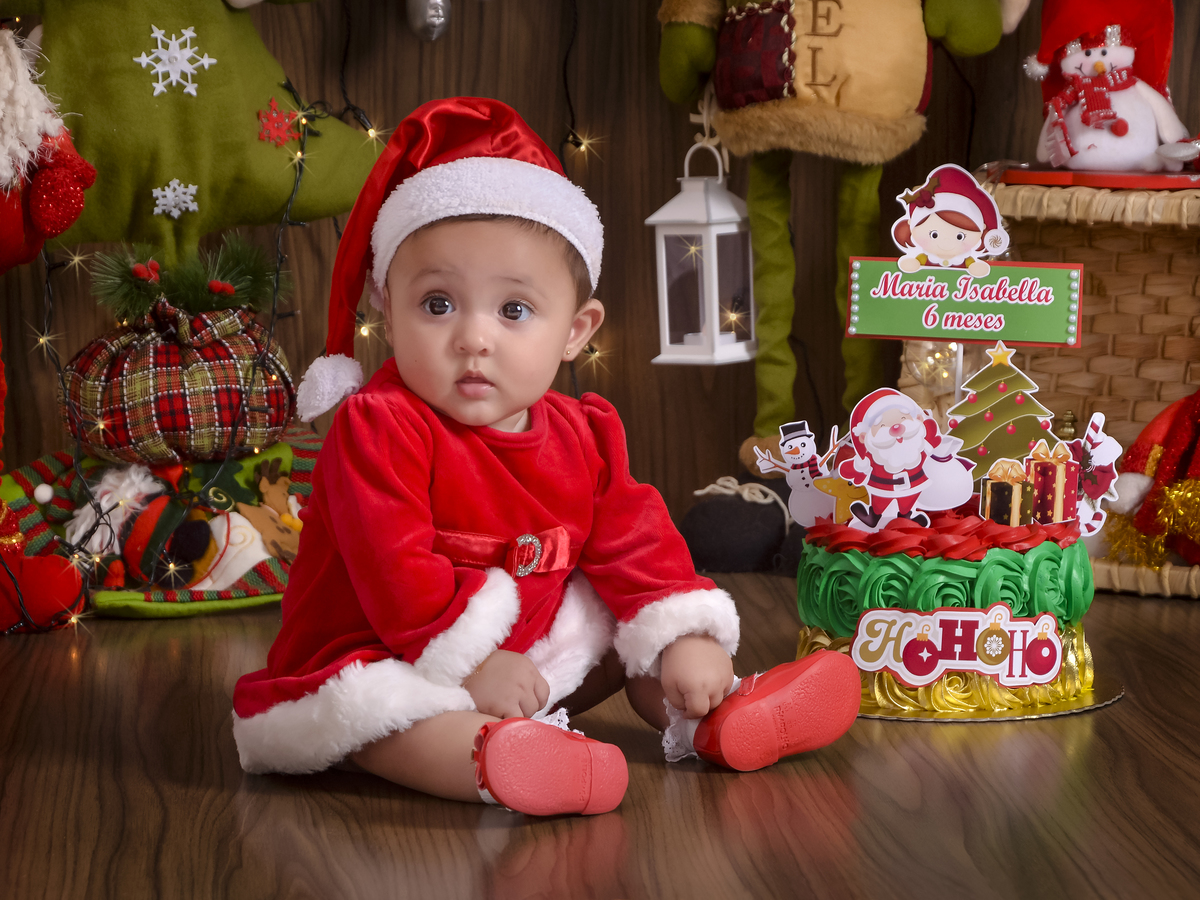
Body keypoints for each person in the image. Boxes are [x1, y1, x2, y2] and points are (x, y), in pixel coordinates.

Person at [231, 97, 861, 817]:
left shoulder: (583, 429)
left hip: (524, 657)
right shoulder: (380, 425)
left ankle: (719, 716)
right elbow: (394, 572)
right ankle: (492, 759)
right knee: (385, 718)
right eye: (437, 305)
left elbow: (637, 540)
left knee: (633, 637)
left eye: (514, 310)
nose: (473, 337)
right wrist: (471, 664)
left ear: (574, 330)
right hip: (385, 650)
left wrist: (682, 633)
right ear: (389, 307)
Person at [891, 164, 1010, 278]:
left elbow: (973, 265)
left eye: (960, 236)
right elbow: (916, 262)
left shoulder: (966, 259)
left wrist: (975, 267)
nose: (946, 242)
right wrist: (913, 263)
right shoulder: (925, 257)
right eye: (934, 235)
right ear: (911, 225)